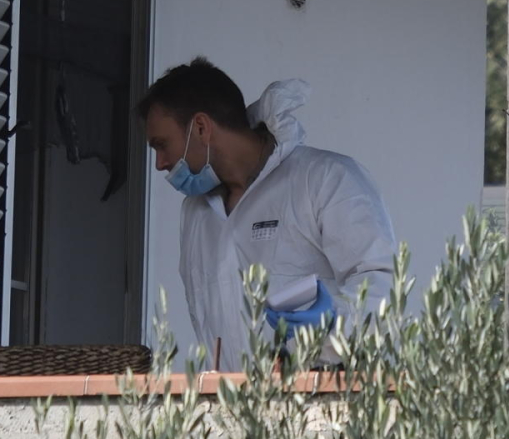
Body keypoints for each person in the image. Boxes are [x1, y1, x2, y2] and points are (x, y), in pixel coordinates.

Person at [137, 58, 398, 370]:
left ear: (202, 127)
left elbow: (384, 294)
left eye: (161, 145)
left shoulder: (325, 180)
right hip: (234, 409)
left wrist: (332, 329)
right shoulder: (196, 214)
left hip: (321, 409)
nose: (160, 163)